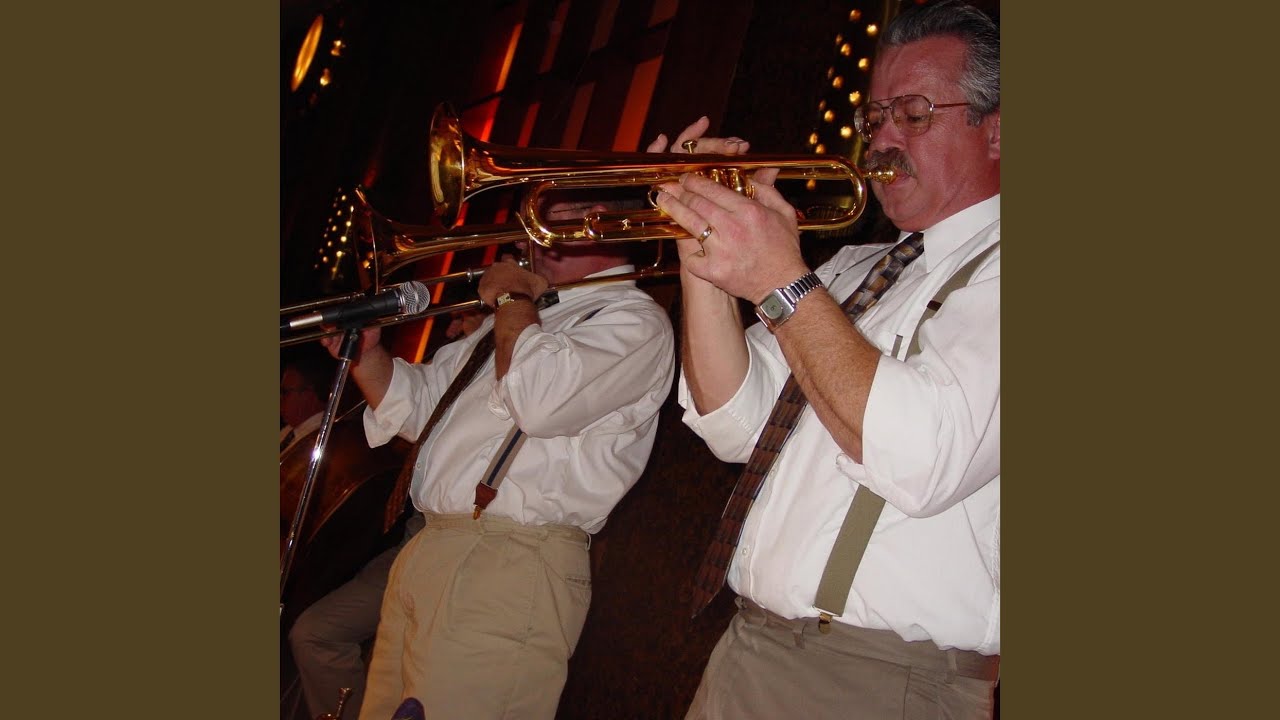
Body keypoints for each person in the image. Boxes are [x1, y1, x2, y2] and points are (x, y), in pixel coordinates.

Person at [652, 1, 1001, 718]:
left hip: (879, 677)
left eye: (913, 114)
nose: (882, 140)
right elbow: (736, 424)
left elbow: (923, 457)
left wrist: (780, 279)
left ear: (997, 131)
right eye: (875, 118)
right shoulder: (851, 268)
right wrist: (702, 252)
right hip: (749, 644)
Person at [321, 210, 676, 720]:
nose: (533, 235)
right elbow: (420, 410)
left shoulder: (634, 320)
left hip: (510, 559)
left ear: (605, 224)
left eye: (555, 219)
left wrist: (512, 297)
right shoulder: (518, 317)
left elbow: (538, 399)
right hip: (432, 547)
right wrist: (368, 356)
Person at [286, 308, 485, 720]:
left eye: (466, 315)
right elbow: (405, 414)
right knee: (316, 631)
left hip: (461, 542)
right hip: (411, 539)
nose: (453, 326)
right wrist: (367, 355)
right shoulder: (458, 360)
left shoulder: (510, 354)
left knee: (318, 635)